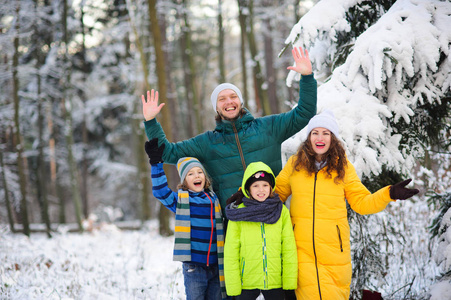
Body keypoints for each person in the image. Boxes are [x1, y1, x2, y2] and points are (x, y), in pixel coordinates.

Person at [141, 47, 317, 211]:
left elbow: (304, 113)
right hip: (233, 224)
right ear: (216, 108)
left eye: (233, 96)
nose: (229, 102)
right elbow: (168, 153)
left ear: (240, 102)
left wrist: (307, 77)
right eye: (222, 99)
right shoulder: (207, 143)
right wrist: (151, 121)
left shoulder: (269, 127)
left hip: (272, 216)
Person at [274, 110, 420, 300]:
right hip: (301, 251)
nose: (320, 137)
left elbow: (361, 202)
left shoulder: (343, 168)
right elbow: (275, 195)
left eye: (326, 133)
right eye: (315, 132)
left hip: (334, 252)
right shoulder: (295, 165)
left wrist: (388, 193)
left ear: (333, 138)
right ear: (309, 137)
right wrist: (248, 195)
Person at [144, 138, 226, 300]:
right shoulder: (182, 201)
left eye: (199, 172)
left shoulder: (214, 198)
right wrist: (156, 164)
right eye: (190, 174)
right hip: (194, 267)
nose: (196, 176)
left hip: (216, 265)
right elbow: (160, 192)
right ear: (185, 181)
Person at [223, 162, 297, 300]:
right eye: (255, 186)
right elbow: (231, 252)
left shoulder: (281, 212)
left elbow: (289, 249)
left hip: (275, 282)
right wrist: (233, 287)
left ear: (271, 187)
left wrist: (289, 282)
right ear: (248, 189)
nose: (261, 190)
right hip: (247, 284)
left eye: (265, 185)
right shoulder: (238, 214)